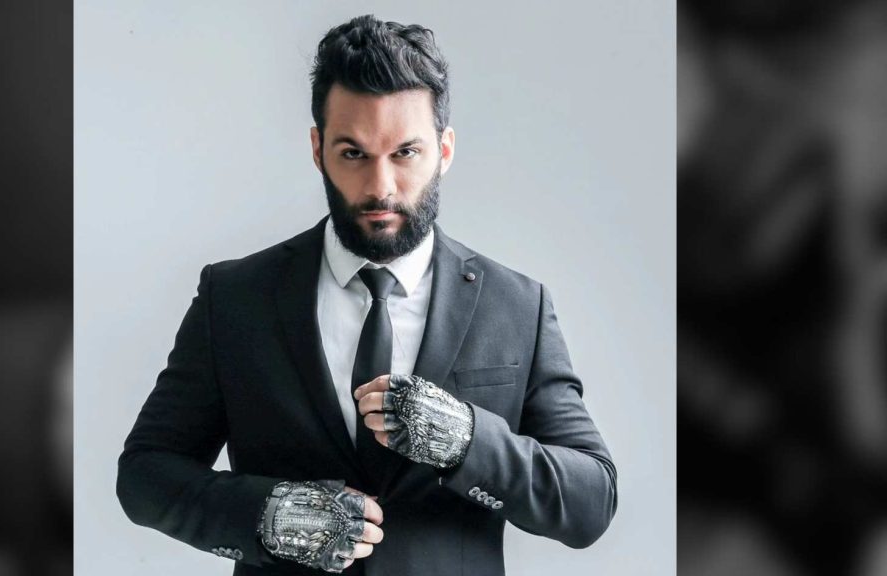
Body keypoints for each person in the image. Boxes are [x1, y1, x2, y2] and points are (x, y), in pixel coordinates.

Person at [117, 15, 616, 575]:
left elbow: (591, 501)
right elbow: (144, 475)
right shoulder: (235, 298)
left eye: (406, 153)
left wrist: (467, 441)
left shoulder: (517, 306)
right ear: (318, 149)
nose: (380, 187)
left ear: (444, 150)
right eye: (354, 154)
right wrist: (267, 517)